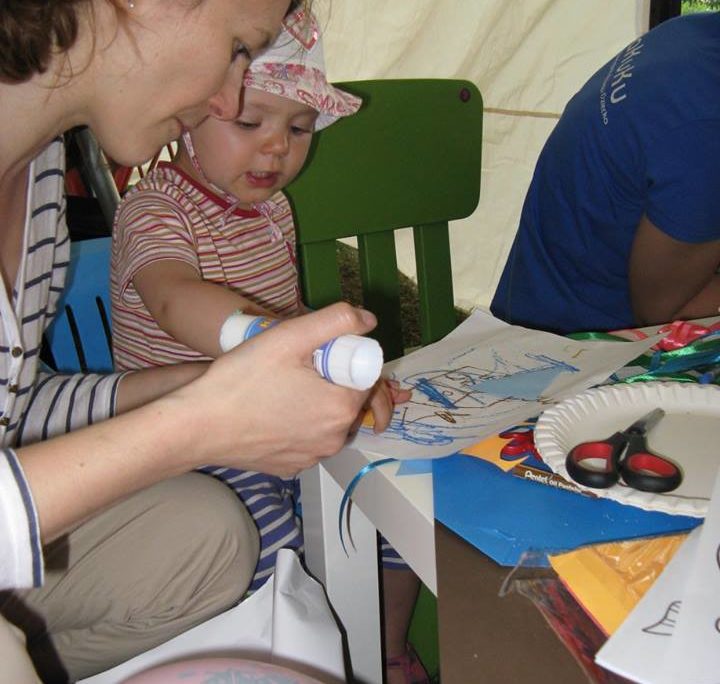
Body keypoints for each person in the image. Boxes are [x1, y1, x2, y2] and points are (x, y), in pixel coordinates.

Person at [0, 2, 394, 682]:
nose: (226, 97)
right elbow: (173, 295)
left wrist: (198, 388)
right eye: (240, 47)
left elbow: (16, 408)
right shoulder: (156, 206)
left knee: (244, 529)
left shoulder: (38, 182)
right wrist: (201, 419)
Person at [110, 11, 429, 684]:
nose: (277, 147)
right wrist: (281, 341)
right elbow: (174, 299)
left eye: (300, 128)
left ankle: (386, 651)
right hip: (190, 446)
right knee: (275, 547)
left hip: (276, 417)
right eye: (251, 122)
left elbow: (287, 310)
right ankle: (299, 664)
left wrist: (332, 358)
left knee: (390, 497)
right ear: (192, 115)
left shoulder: (274, 211)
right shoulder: (155, 208)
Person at [491, 12, 720, 336]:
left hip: (534, 300)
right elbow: (663, 312)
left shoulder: (695, 35)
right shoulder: (706, 130)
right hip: (574, 344)